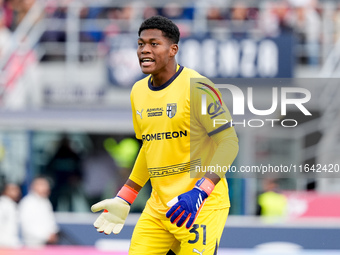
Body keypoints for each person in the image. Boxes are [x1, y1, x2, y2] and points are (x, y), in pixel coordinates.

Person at [91, 15, 239, 255]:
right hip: (159, 209)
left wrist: (201, 191)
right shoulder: (138, 91)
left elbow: (229, 142)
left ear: (173, 50)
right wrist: (125, 196)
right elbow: (149, 148)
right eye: (140, 44)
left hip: (200, 206)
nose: (144, 50)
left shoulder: (198, 87)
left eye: (153, 44)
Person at [19, 177, 59, 247]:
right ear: (34, 186)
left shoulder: (46, 202)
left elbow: (50, 221)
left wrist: (53, 233)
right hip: (32, 245)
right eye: (42, 185)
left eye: (46, 185)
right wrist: (46, 236)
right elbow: (27, 227)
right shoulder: (27, 203)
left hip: (47, 245)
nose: (46, 187)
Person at [0, 182, 21, 248]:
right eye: (12, 189)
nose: (16, 192)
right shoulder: (3, 205)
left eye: (17, 189)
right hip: (4, 244)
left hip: (12, 244)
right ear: (4, 191)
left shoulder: (12, 204)